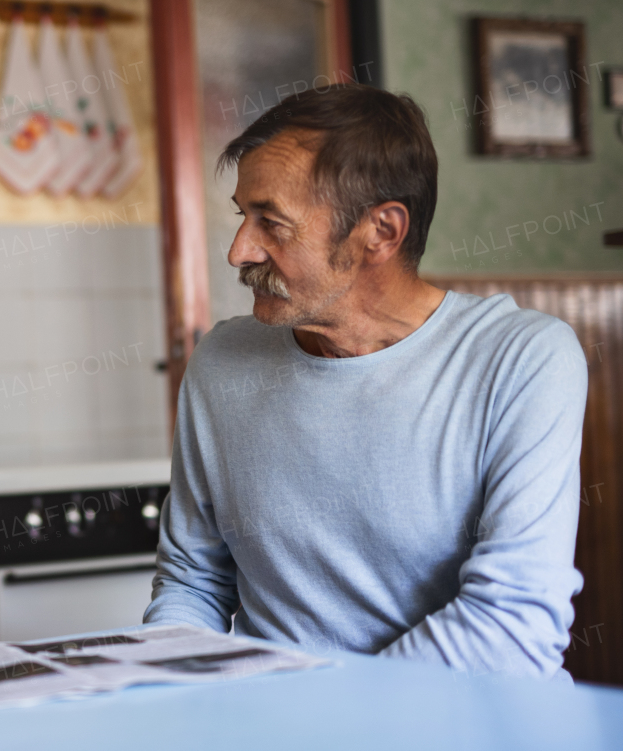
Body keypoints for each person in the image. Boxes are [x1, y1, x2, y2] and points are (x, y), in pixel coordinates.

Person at [145, 84, 586, 680]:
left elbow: (511, 625)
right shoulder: (222, 359)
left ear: (381, 231)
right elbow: (192, 582)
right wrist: (159, 695)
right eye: (242, 216)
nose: (238, 250)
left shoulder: (521, 359)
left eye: (271, 223)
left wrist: (334, 723)